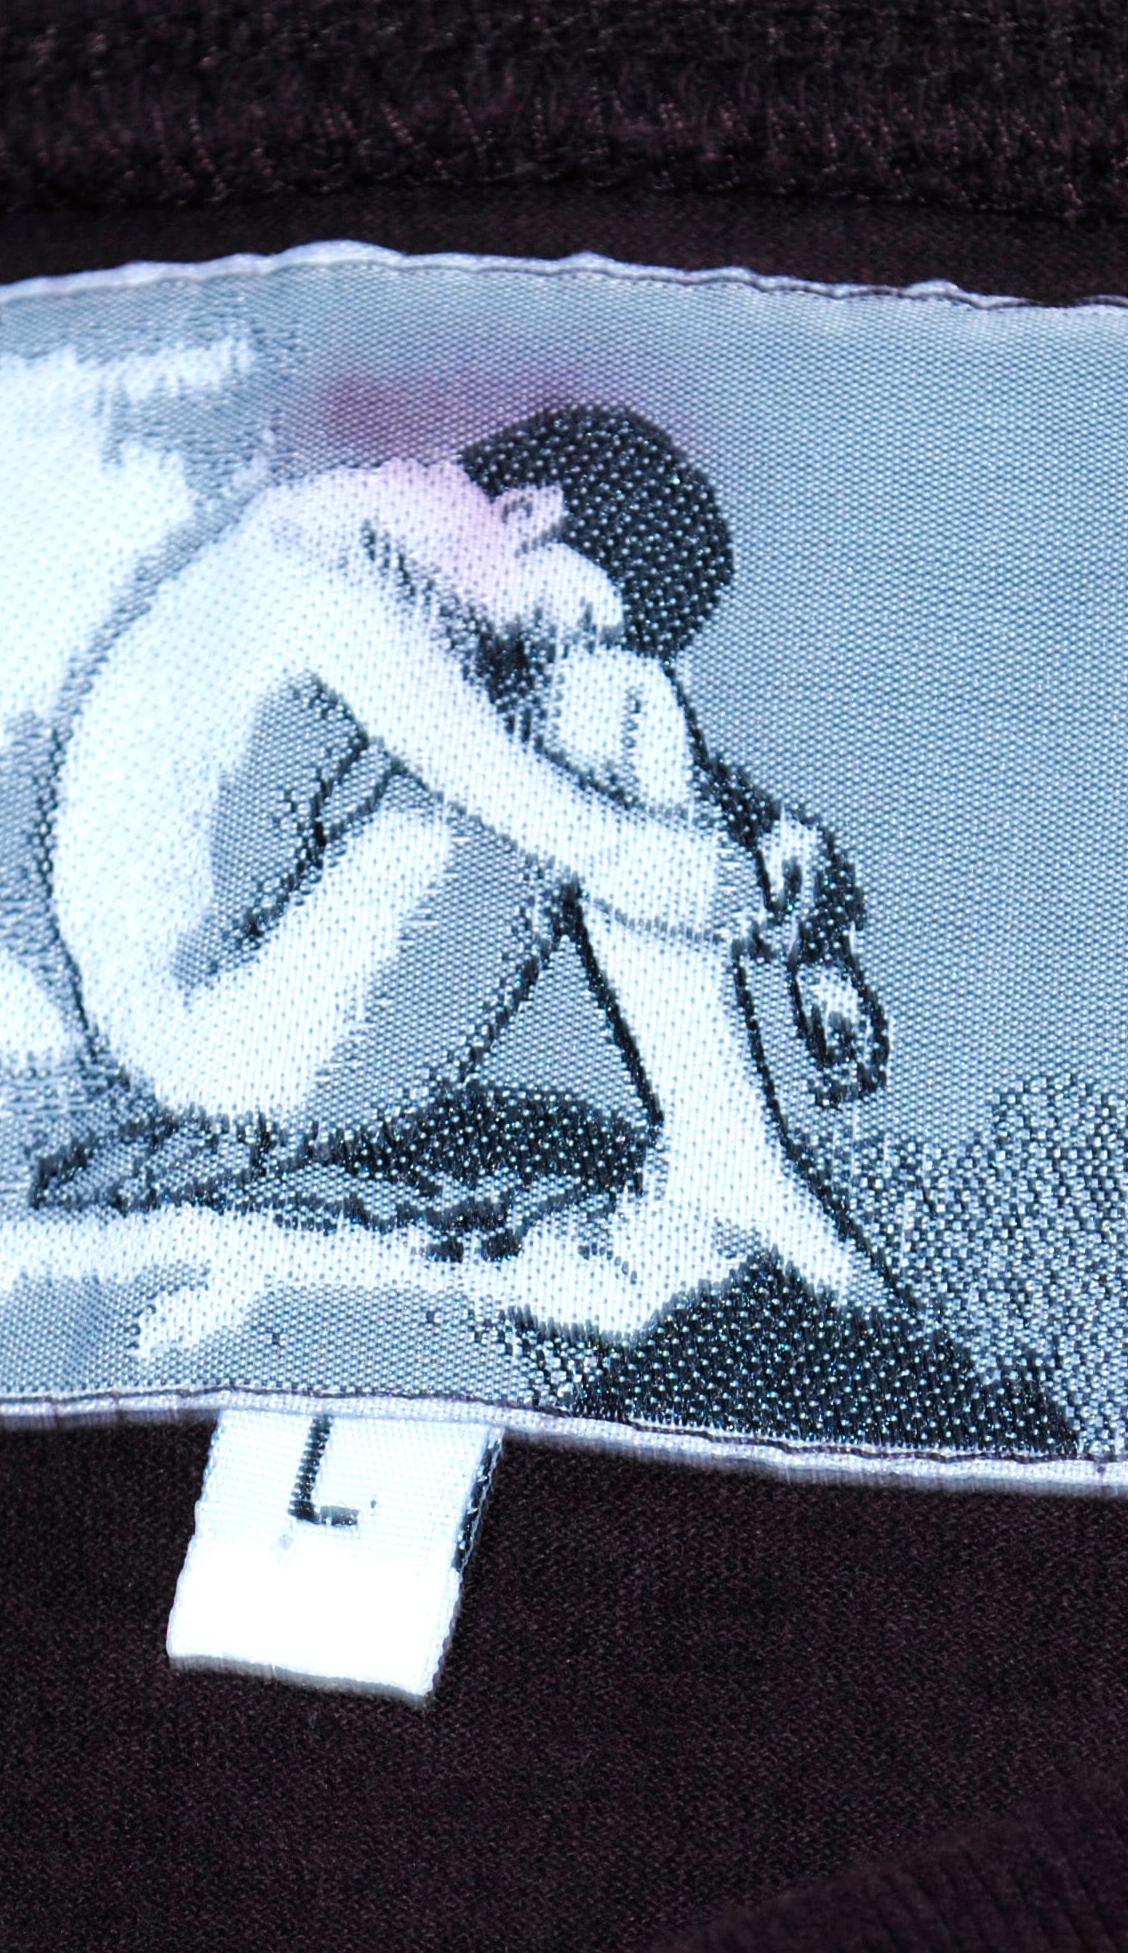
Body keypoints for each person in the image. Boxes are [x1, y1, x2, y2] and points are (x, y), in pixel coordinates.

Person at [46, 406, 891, 1322]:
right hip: (222, 1048)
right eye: (572, 615)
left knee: (611, 692)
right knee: (611, 695)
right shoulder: (331, 566)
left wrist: (796, 898)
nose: (557, 642)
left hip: (253, 1009)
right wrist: (764, 898)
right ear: (526, 514)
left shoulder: (384, 544)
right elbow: (575, 826)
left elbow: (593, 779)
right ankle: (730, 1161)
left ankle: (729, 1158)